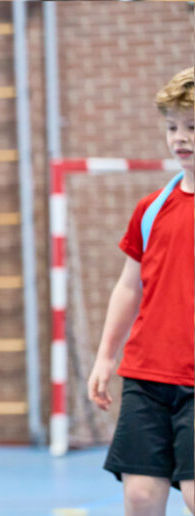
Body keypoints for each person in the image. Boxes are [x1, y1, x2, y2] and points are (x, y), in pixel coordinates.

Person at [87, 67, 194, 516]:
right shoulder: (150, 209)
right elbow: (129, 286)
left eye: (191, 126)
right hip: (148, 377)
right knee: (139, 497)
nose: (179, 137)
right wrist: (106, 357)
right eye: (172, 126)